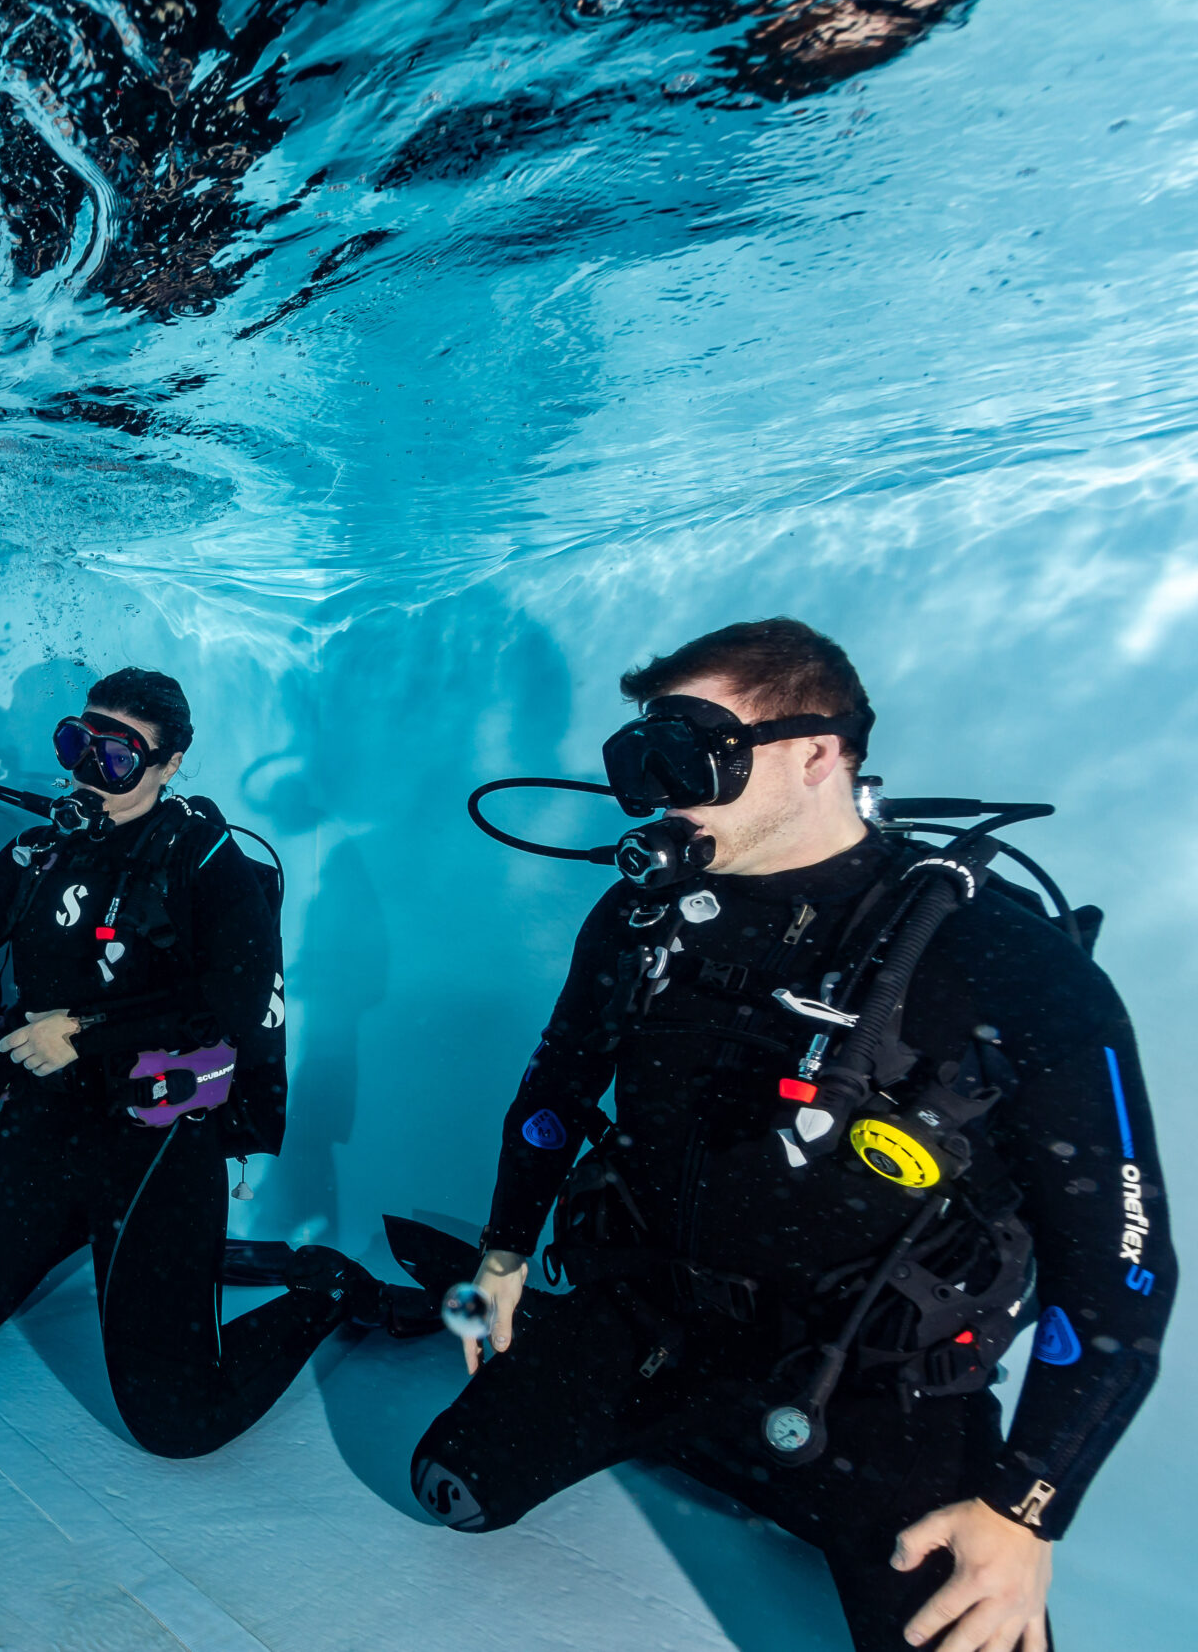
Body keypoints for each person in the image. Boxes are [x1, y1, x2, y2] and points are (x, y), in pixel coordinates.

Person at [411, 620, 1175, 1652]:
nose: (660, 795)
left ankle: (781, 1465)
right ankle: (727, 1441)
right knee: (452, 1485)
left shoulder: (1007, 961)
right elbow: (556, 1087)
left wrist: (1026, 1507)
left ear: (817, 754)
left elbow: (1122, 1271)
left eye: (691, 755)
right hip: (656, 1313)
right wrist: (503, 1253)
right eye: (642, 760)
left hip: (869, 1378)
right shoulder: (641, 920)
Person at [0, 668, 431, 1460]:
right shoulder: (39, 849)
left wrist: (83, 1028)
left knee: (176, 1424)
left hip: (157, 1135)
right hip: (45, 1121)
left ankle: (326, 1289)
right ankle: (91, 1229)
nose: (89, 770)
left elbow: (236, 1005)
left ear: (169, 764)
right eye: (77, 743)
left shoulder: (206, 861)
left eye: (116, 758)